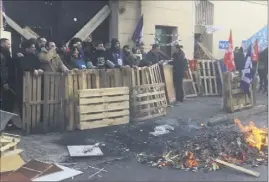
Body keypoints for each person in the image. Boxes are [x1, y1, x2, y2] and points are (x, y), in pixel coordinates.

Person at [17, 39, 43, 116]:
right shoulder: (21, 56)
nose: (34, 49)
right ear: (27, 48)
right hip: (23, 83)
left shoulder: (35, 57)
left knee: (35, 100)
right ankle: (25, 120)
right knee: (24, 101)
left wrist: (40, 70)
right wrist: (32, 70)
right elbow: (23, 67)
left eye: (34, 47)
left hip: (35, 83)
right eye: (32, 47)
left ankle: (35, 118)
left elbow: (38, 66)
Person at [0, 38, 16, 112]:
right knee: (5, 103)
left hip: (7, 82)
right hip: (4, 83)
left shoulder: (7, 53)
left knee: (9, 102)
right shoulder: (2, 55)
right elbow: (2, 69)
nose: (10, 45)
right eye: (8, 44)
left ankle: (8, 122)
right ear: (2, 44)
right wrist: (4, 83)